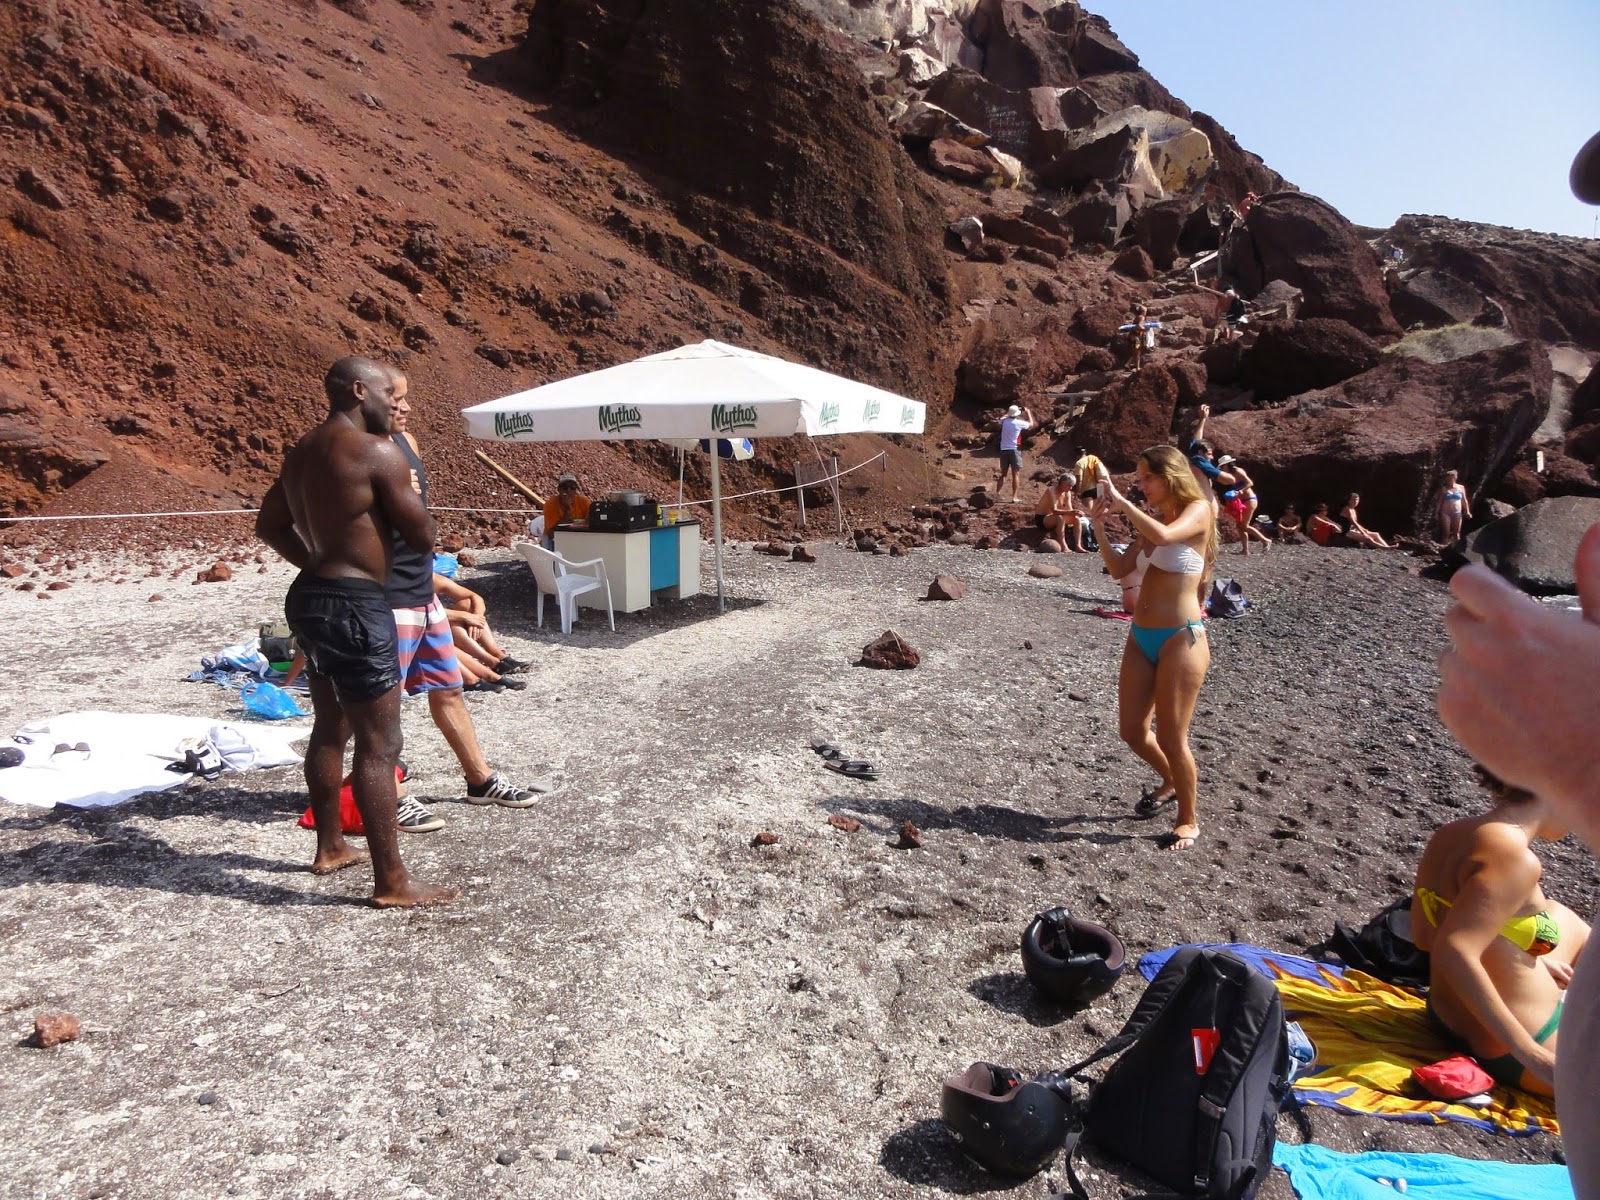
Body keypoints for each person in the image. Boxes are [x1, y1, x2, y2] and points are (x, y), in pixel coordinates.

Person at [254, 356, 455, 908]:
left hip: (311, 597)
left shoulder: (302, 452)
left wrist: (319, 561)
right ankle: (392, 881)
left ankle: (330, 846)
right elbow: (422, 536)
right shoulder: (377, 452)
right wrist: (407, 488)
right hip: (357, 605)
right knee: (380, 742)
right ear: (361, 391)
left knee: (330, 726)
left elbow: (269, 524)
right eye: (391, 393)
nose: (397, 403)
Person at [387, 374, 550, 823]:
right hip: (384, 597)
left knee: (449, 688)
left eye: (406, 398)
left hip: (420, 589)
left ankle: (480, 780)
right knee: (382, 704)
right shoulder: (353, 449)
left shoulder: (407, 443)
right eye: (396, 398)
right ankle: (388, 796)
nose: (406, 407)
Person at [1411, 766, 1588, 1097]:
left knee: (1563, 917)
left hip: (1446, 1016)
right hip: (1521, 1045)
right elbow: (1454, 951)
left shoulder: (1452, 834)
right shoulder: (1517, 860)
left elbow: (1423, 936)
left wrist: (1518, 954)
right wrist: (1533, 1056)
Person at [1088, 444, 1216, 851]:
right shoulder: (1154, 521)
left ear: (1170, 476)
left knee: (1173, 737)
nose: (1141, 485)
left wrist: (1123, 504)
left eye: (1147, 478)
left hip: (1181, 637)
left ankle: (1188, 820)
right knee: (1131, 731)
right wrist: (1098, 526)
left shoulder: (1198, 510)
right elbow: (1119, 569)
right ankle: (1171, 781)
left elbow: (1164, 537)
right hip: (1141, 636)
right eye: (1139, 479)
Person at [1185, 405, 1237, 507]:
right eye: (1209, 454)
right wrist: (1228, 470)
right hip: (1203, 508)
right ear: (1201, 452)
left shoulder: (1193, 455)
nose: (1212, 457)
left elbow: (1196, 440)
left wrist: (1202, 419)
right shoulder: (1200, 462)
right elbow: (1230, 480)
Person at [1216, 456, 1270, 555]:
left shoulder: (1238, 471)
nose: (1222, 469)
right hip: (1241, 501)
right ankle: (1245, 550)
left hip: (1250, 500)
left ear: (1227, 465)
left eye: (1222, 467)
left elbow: (1250, 483)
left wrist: (1241, 491)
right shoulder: (1230, 475)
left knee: (1244, 526)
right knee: (1240, 525)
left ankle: (1265, 540)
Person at [1034, 473, 1084, 551]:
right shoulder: (1051, 490)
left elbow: (1069, 509)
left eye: (1072, 486)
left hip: (1054, 516)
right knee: (1059, 518)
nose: (1070, 488)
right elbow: (1054, 510)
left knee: (1076, 518)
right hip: (1043, 518)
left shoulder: (1067, 493)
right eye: (1069, 485)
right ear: (1062, 483)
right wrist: (1071, 512)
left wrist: (1075, 513)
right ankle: (1063, 546)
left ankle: (1078, 546)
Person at [995, 404, 1034, 503]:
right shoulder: (1019, 423)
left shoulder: (1004, 421)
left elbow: (1002, 418)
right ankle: (1014, 497)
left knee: (1003, 474)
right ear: (1017, 414)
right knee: (1015, 474)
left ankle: (997, 494)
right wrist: (1028, 412)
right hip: (1014, 450)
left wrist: (1009, 412)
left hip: (1004, 450)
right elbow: (1031, 424)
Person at [1438, 469, 1472, 543]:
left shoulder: (1461, 487)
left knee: (1456, 533)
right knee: (1446, 533)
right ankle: (1444, 547)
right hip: (1445, 513)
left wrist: (1467, 511)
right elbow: (1440, 502)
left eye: (1452, 478)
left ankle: (1457, 548)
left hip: (1457, 513)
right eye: (1448, 478)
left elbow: (1464, 500)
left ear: (1455, 478)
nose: (1450, 479)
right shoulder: (1444, 489)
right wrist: (1436, 512)